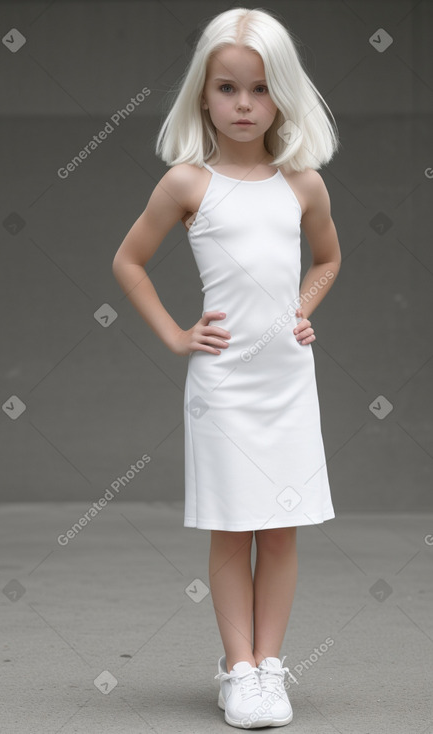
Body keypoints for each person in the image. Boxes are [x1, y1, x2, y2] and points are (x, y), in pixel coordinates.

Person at [112, 6, 341, 729]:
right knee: (230, 527)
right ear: (202, 94)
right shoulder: (187, 184)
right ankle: (235, 668)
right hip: (223, 386)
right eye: (227, 88)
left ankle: (270, 667)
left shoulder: (301, 184)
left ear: (283, 96)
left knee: (280, 528)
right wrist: (178, 337)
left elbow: (328, 259)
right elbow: (128, 261)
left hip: (286, 382)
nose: (243, 105)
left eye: (259, 89)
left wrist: (302, 306)